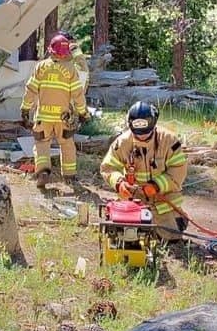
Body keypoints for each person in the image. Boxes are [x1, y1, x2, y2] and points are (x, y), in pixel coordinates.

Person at [99, 102, 188, 241]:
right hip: (134, 200)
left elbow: (178, 171)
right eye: (137, 134)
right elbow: (108, 167)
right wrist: (119, 183)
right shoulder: (122, 143)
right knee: (127, 236)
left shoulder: (169, 141)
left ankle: (177, 218)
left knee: (172, 237)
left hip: (162, 200)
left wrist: (157, 186)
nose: (141, 137)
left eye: (146, 133)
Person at [20, 34, 88, 189]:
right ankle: (69, 176)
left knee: (42, 144)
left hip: (43, 117)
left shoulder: (40, 66)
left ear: (50, 50)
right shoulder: (70, 69)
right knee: (67, 145)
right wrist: (83, 112)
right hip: (63, 118)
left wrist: (25, 108)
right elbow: (78, 94)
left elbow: (30, 89)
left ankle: (43, 171)